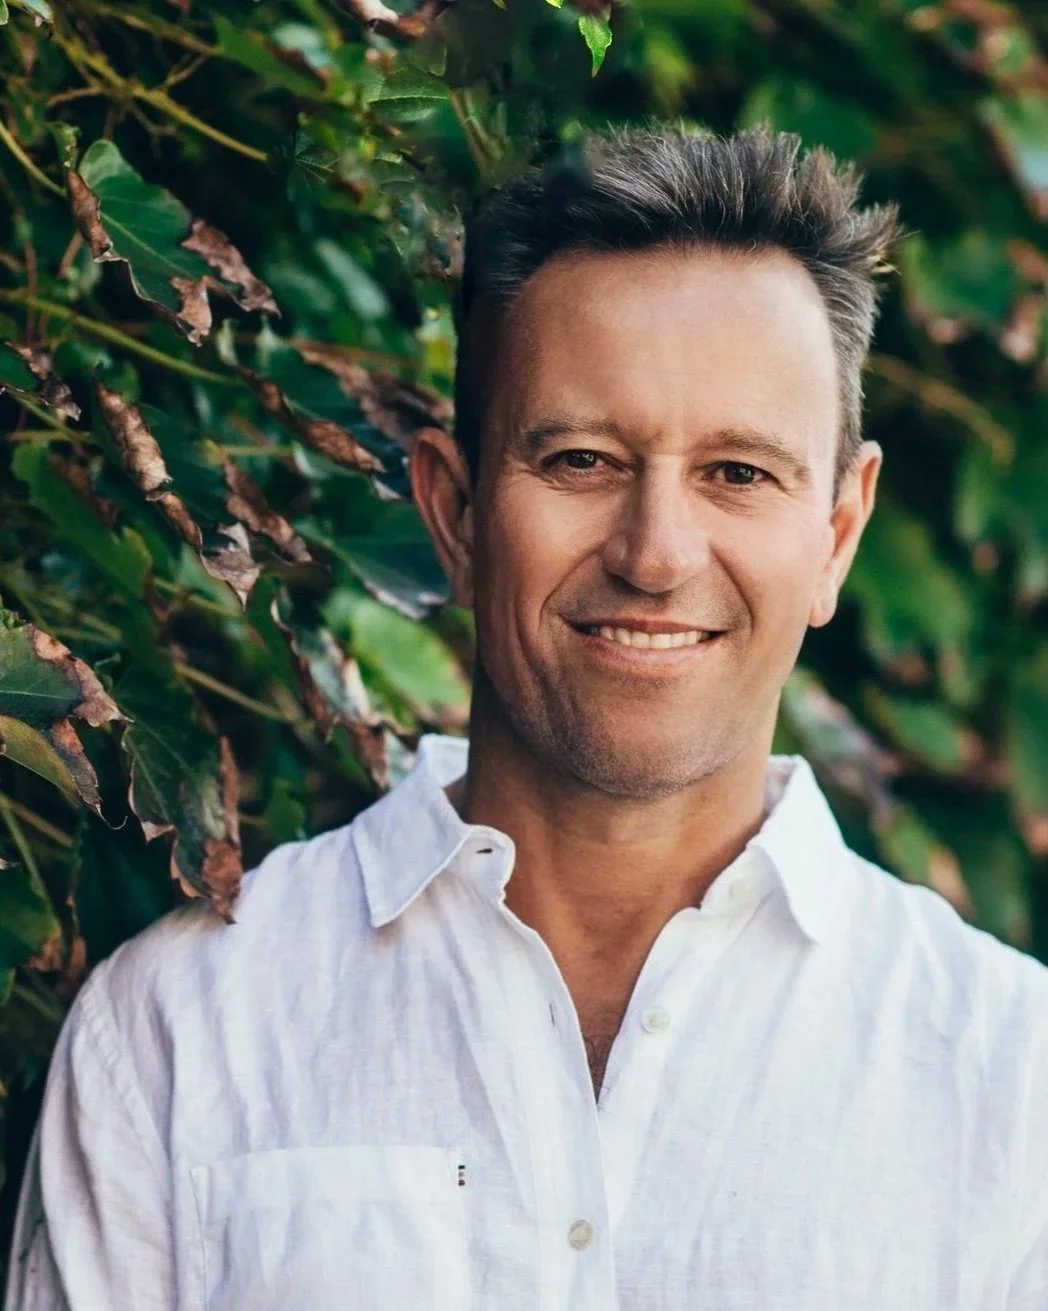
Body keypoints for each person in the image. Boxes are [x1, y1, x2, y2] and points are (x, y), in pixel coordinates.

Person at [7, 126, 1048, 1311]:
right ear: (453, 512)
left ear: (838, 535)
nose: (656, 556)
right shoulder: (180, 1033)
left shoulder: (1012, 1084)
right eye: (583, 460)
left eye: (739, 474)